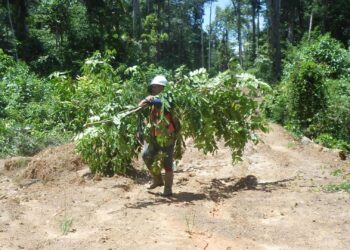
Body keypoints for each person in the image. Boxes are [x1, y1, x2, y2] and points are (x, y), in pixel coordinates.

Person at [138, 75, 177, 197]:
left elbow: (163, 103)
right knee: (146, 155)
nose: (153, 88)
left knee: (167, 163)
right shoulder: (154, 99)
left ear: (162, 87)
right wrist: (146, 100)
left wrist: (150, 100)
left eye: (156, 86)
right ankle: (158, 179)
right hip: (155, 135)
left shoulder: (169, 98)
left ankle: (168, 189)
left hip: (168, 136)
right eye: (153, 86)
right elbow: (141, 105)